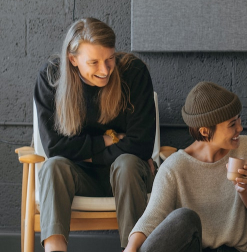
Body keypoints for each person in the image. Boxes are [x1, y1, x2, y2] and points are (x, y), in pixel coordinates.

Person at [33, 17, 156, 252]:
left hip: (128, 177)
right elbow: (55, 148)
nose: (105, 70)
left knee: (127, 163)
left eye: (110, 59)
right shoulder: (51, 78)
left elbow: (141, 145)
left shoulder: (133, 72)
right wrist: (110, 139)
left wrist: (85, 153)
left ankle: (132, 249)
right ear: (73, 60)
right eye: (94, 62)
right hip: (80, 178)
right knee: (53, 167)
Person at [124, 81, 247, 252]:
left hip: (238, 250)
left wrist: (245, 192)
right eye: (232, 124)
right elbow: (151, 218)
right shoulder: (174, 167)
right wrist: (131, 249)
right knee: (183, 218)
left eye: (238, 119)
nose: (240, 128)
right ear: (205, 131)